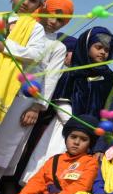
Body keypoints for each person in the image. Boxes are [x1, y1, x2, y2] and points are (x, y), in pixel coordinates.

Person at [0, 0, 49, 189]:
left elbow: (36, 55)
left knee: (0, 154)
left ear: (39, 6)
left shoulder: (36, 29)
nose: (26, 2)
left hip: (13, 96)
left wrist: (6, 47)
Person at [20, 34, 78, 185]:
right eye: (66, 52)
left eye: (71, 52)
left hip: (47, 123)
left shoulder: (72, 74)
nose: (67, 56)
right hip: (31, 116)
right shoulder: (48, 70)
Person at [55, 27, 113, 118]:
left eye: (107, 50)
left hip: (96, 130)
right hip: (66, 126)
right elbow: (61, 103)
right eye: (98, 47)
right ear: (86, 46)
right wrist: (73, 124)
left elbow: (110, 108)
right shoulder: (72, 73)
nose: (103, 52)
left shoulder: (110, 78)